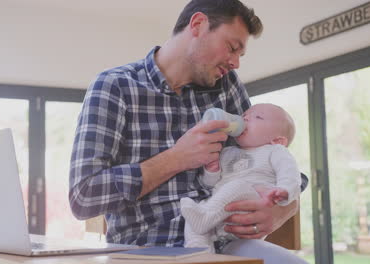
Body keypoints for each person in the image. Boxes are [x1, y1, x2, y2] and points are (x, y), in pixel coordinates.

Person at [69, 0, 307, 263]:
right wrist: (176, 158)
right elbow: (83, 197)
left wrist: (284, 209)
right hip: (146, 249)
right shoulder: (115, 86)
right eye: (232, 48)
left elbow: (268, 157)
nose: (236, 63)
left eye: (241, 55)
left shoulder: (226, 86)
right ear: (198, 25)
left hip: (225, 245)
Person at [181, 103, 301, 253]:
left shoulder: (275, 151)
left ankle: (203, 219)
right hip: (220, 215)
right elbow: (211, 185)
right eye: (245, 115)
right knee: (197, 209)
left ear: (277, 140)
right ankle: (200, 251)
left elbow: (290, 174)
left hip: (251, 208)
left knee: (238, 186)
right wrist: (212, 171)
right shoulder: (227, 152)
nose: (245, 118)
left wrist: (284, 191)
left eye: (258, 117)